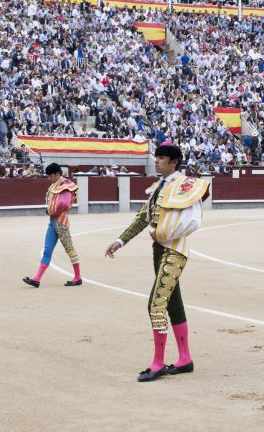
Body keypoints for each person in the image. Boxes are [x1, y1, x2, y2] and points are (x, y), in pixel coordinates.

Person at [104, 144, 210, 383]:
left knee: (156, 304)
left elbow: (193, 222)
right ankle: (185, 359)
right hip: (159, 251)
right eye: (157, 157)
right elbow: (143, 217)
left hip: (174, 251)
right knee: (173, 304)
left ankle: (158, 363)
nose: (157, 161)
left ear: (174, 162)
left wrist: (161, 233)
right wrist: (120, 241)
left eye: (161, 158)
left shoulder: (186, 186)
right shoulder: (157, 188)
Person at [22, 163, 82, 288]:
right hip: (52, 222)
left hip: (61, 223)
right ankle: (37, 279)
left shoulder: (65, 185)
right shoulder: (55, 184)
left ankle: (78, 277)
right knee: (47, 250)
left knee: (69, 249)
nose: (49, 178)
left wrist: (50, 210)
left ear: (56, 174)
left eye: (50, 176)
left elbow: (64, 204)